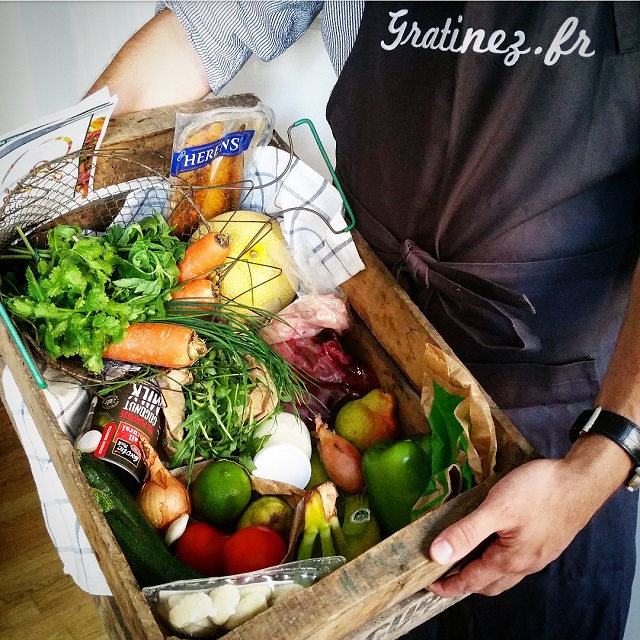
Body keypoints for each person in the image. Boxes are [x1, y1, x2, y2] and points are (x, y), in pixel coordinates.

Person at [88, 2, 640, 638]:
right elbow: (207, 25)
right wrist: (63, 176)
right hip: (366, 341)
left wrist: (604, 459)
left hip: (556, 418)